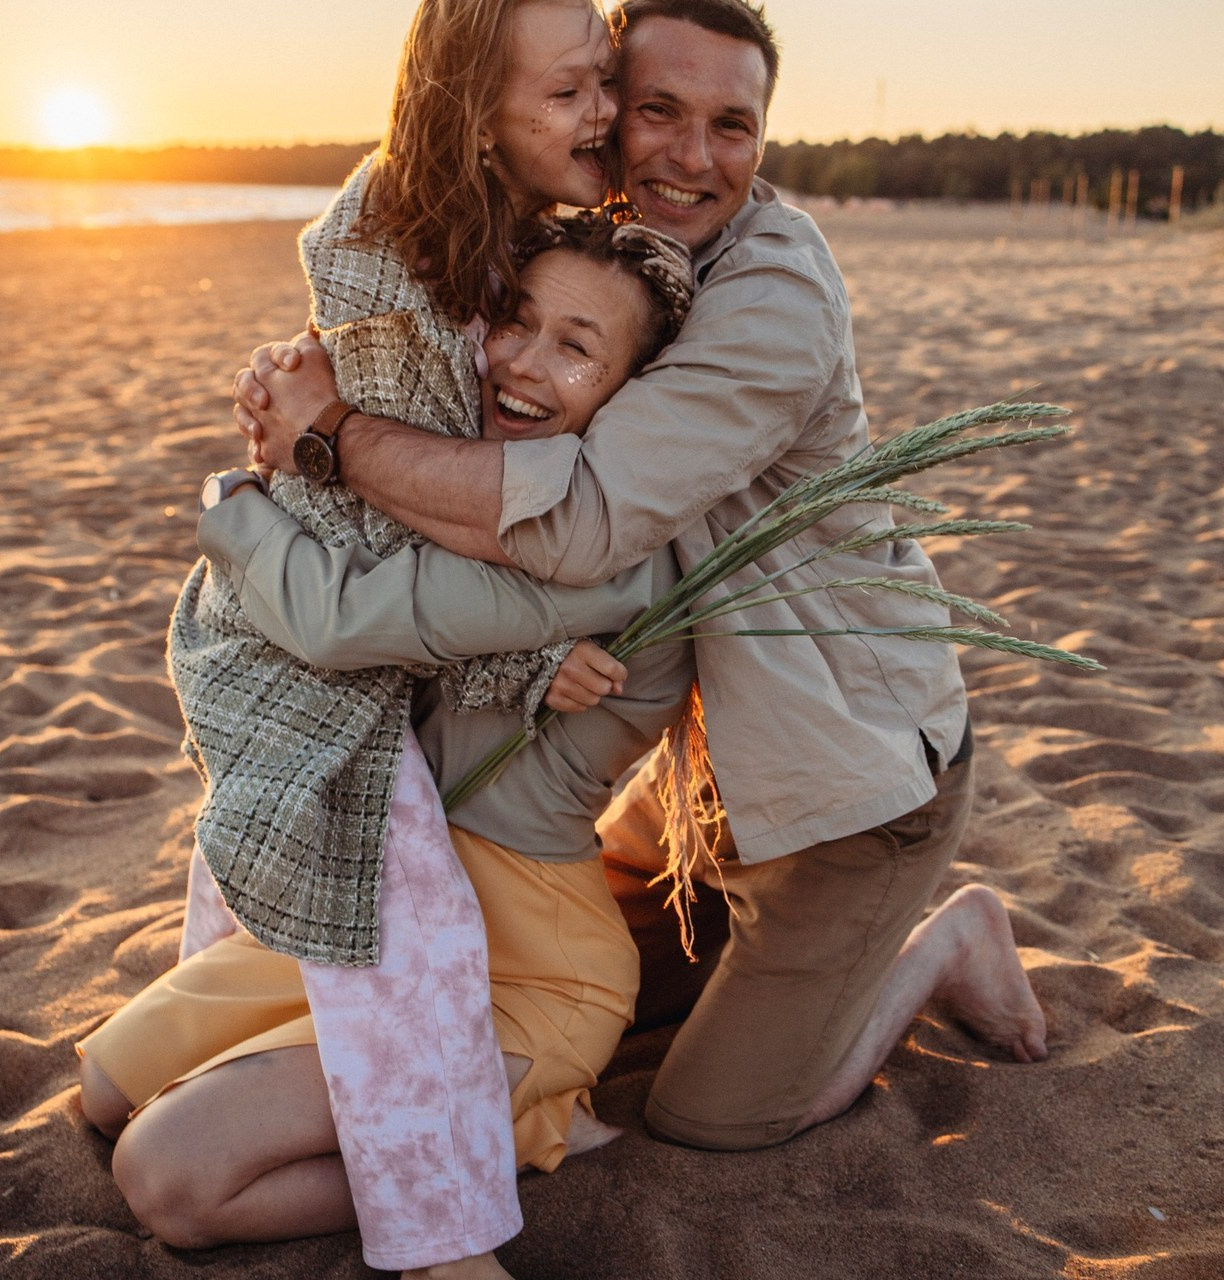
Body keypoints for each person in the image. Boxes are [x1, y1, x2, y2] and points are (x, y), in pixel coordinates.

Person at [234, 0, 1050, 1165]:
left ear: (765, 137)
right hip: (694, 787)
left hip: (843, 789)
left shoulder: (773, 298)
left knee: (707, 1114)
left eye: (732, 124)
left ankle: (945, 944)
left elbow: (578, 526)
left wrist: (331, 436)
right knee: (592, 990)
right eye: (655, 108)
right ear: (611, 107)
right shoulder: (599, 244)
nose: (689, 153)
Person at [79, 217, 697, 1274]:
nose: (525, 364)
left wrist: (232, 504)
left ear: (627, 395)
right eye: (516, 321)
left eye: (576, 347)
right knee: (103, 1087)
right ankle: (458, 1128)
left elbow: (334, 617)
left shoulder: (602, 549)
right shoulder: (437, 478)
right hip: (379, 907)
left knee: (170, 1177)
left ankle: (507, 1131)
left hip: (524, 965)